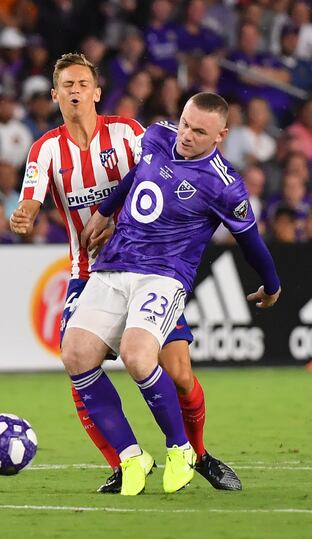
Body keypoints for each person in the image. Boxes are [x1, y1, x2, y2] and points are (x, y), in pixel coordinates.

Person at [10, 54, 242, 494]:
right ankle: (125, 461)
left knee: (178, 373)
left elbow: (156, 178)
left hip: (149, 268)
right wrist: (22, 213)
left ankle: (199, 453)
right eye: (66, 84)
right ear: (55, 94)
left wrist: (117, 216)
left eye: (82, 82)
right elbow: (31, 197)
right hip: (89, 273)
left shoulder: (128, 133)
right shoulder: (44, 150)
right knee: (77, 360)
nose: (75, 90)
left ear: (96, 92)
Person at [68, 92, 281, 495]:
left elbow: (250, 241)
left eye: (199, 131)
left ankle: (187, 450)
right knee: (75, 353)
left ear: (220, 135)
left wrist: (272, 284)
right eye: (185, 123)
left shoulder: (224, 186)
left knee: (157, 365)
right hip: (115, 265)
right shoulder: (157, 135)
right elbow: (137, 175)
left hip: (163, 277)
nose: (186, 135)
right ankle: (132, 458)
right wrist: (103, 211)